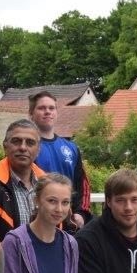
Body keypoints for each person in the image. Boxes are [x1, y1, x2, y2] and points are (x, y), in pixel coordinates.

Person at [28, 90, 92, 227]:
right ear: (31, 114)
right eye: (41, 108)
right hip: (37, 220)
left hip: (68, 221)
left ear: (56, 113)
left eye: (51, 108)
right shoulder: (25, 148)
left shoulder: (71, 148)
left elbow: (83, 184)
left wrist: (81, 212)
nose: (47, 111)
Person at [0, 119, 44, 241]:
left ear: (38, 149)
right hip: (3, 258)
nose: (23, 147)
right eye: (16, 141)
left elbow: (63, 227)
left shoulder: (48, 185)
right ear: (5, 146)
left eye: (30, 143)